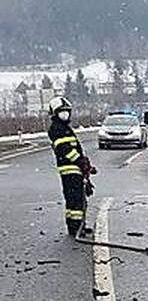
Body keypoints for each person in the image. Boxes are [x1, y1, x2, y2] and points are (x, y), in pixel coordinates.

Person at [46, 96, 94, 237]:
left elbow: (75, 148)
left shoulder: (65, 128)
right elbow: (65, 149)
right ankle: (76, 228)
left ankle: (78, 226)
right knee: (75, 200)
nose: (65, 114)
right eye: (62, 111)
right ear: (55, 113)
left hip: (74, 169)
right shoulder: (56, 129)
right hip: (69, 169)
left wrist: (86, 164)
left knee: (76, 199)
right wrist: (80, 161)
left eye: (67, 111)